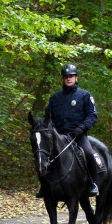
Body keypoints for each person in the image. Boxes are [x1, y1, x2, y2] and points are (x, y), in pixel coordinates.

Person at [41, 63, 99, 197]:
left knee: (89, 153)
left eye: (71, 76)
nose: (68, 79)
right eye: (66, 76)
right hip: (58, 136)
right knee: (44, 155)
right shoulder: (55, 98)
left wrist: (82, 127)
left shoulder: (85, 95)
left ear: (76, 78)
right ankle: (44, 186)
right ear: (63, 78)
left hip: (77, 135)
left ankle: (93, 183)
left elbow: (92, 115)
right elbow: (47, 117)